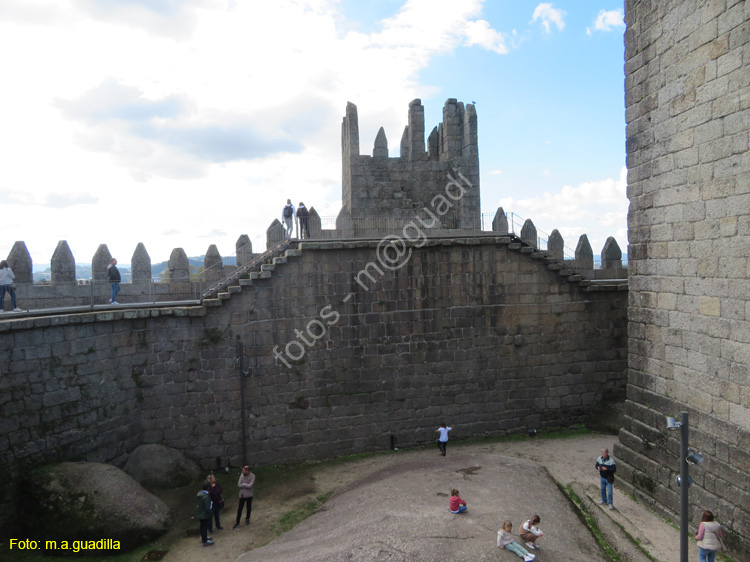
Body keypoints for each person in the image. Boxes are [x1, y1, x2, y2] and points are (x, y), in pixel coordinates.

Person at [233, 465, 255, 529]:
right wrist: (246, 485)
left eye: (244, 471)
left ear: (247, 471)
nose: (243, 472)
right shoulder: (242, 475)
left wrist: (243, 484)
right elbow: (239, 484)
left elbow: (250, 485)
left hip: (249, 495)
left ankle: (247, 519)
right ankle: (237, 522)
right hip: (242, 495)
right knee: (240, 509)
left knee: (249, 508)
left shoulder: (252, 476)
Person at [196, 483, 214, 547]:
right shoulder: (206, 496)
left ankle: (204, 537)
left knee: (202, 527)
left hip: (200, 513)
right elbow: (207, 508)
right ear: (208, 488)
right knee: (204, 527)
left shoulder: (200, 494)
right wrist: (210, 513)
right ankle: (205, 540)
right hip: (204, 514)